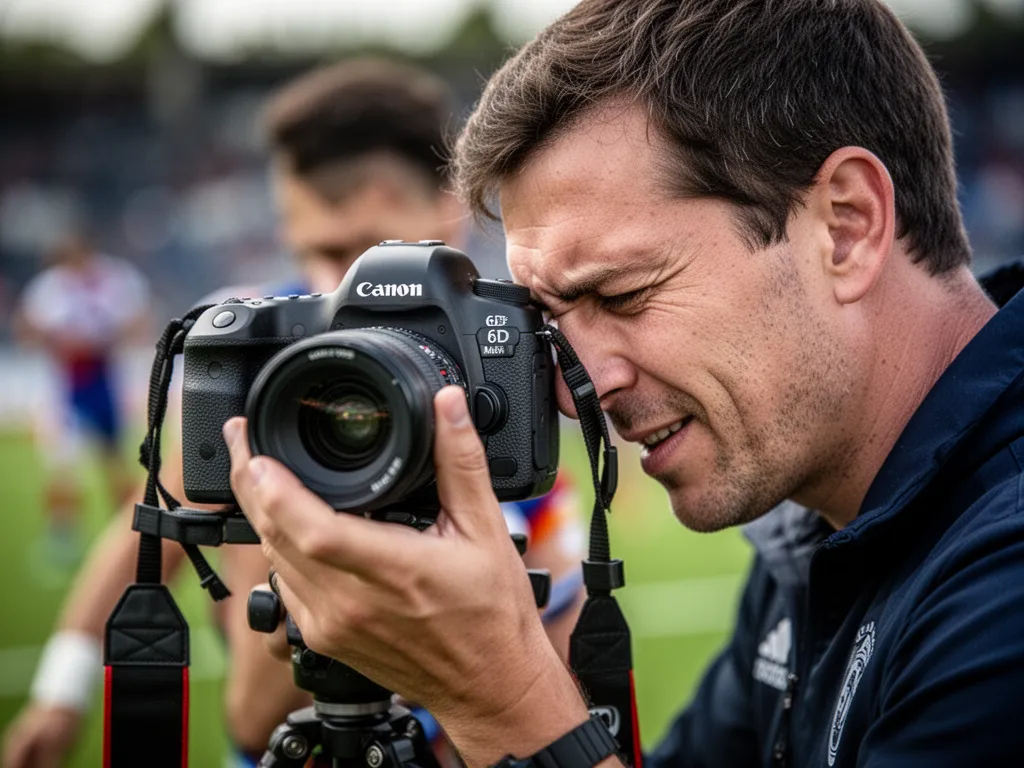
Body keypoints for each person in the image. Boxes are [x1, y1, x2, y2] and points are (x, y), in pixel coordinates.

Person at [217, 1, 1024, 766]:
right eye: (550, 321)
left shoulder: (1004, 577)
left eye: (623, 295)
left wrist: (501, 696)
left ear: (846, 226)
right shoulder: (816, 535)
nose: (581, 391)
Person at [2, 59, 584, 768]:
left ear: (447, 208)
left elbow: (561, 656)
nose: (339, 285)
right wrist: (60, 692)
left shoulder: (500, 351)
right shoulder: (271, 350)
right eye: (315, 253)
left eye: (364, 249)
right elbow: (148, 532)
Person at [14, 233, 149, 575]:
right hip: (66, 387)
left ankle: (132, 531)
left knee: (115, 463)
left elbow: (137, 320)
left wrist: (103, 338)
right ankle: (63, 538)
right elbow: (28, 328)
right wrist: (57, 340)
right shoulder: (50, 288)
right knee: (62, 468)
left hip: (105, 381)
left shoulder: (114, 279)